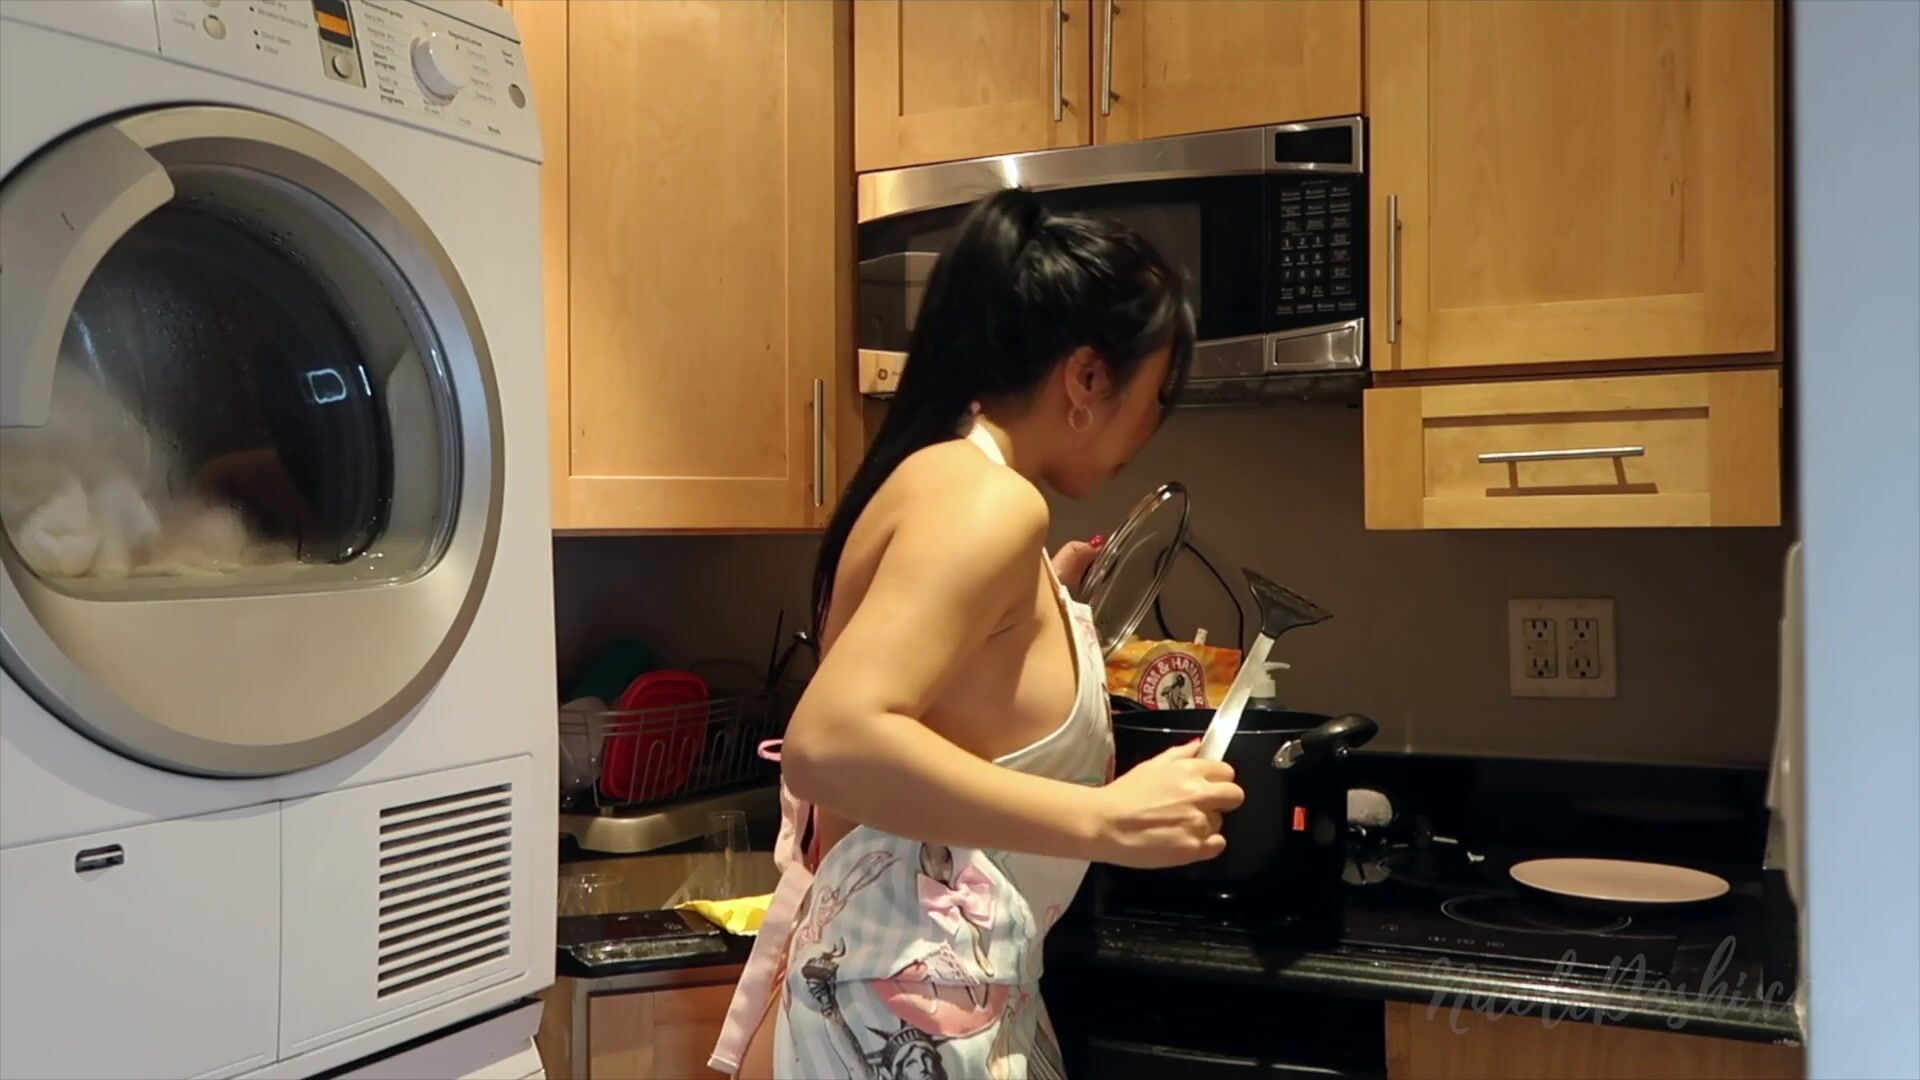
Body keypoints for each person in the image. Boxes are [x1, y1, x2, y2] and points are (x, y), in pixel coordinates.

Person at [715, 189, 1244, 1080]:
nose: (1153, 426)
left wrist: (1048, 608)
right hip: (902, 1021)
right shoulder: (991, 502)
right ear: (1086, 379)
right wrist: (1107, 819)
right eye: (1157, 396)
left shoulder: (951, 483)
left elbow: (949, 719)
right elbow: (830, 742)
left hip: (898, 1006)